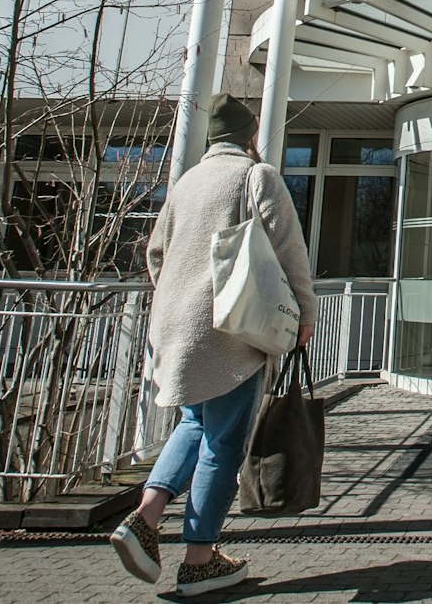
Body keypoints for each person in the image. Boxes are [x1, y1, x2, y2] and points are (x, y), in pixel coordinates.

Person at [110, 94, 317, 596]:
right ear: (250, 136)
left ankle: (145, 516)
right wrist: (306, 314)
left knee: (195, 423)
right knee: (224, 447)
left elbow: (155, 253)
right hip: (231, 329)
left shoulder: (186, 183)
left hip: (178, 326)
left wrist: (178, 299)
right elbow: (288, 248)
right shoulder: (256, 176)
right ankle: (199, 559)